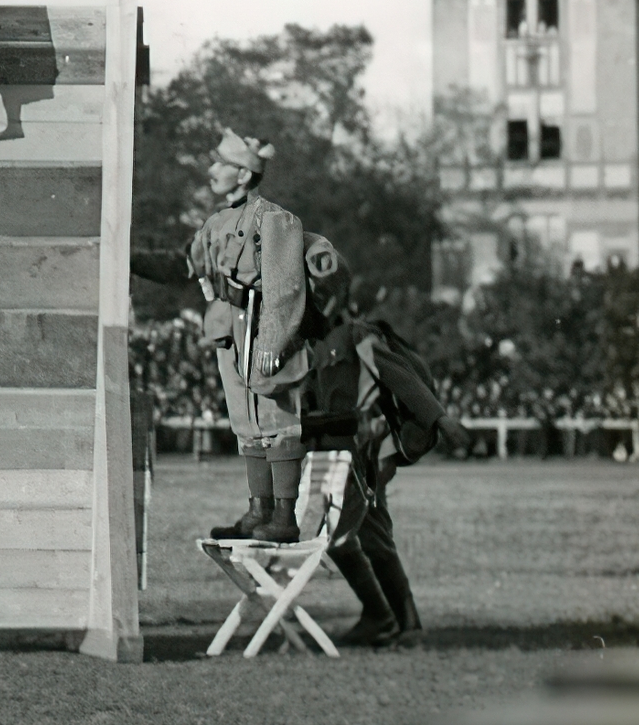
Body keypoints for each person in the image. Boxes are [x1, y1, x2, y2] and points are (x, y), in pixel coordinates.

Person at [133, 128, 310, 543]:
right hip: (228, 327)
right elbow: (183, 267)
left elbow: (285, 286)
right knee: (245, 421)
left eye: (221, 163)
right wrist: (130, 257)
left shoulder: (274, 220)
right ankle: (258, 510)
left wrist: (274, 342)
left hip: (262, 326)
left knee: (276, 419)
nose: (212, 169)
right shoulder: (215, 223)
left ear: (244, 175)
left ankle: (284, 517)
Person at [304, 255, 470, 646]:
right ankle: (400, 621)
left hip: (369, 454)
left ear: (339, 296)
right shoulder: (314, 344)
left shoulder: (359, 335)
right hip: (337, 455)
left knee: (342, 536)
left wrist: (439, 420)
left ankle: (382, 617)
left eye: (322, 293)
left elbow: (399, 376)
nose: (315, 300)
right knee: (369, 536)